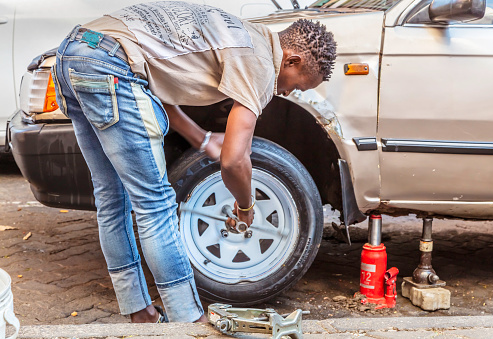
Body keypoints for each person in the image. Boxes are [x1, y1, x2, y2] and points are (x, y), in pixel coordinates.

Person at [52, 0, 337, 324]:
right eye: (296, 85)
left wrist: (201, 138)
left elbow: (154, 85)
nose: (288, 93)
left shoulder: (243, 34)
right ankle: (188, 320)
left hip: (74, 53)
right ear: (292, 60)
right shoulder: (259, 63)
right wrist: (246, 207)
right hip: (110, 66)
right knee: (155, 203)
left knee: (111, 197)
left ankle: (140, 312)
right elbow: (233, 160)